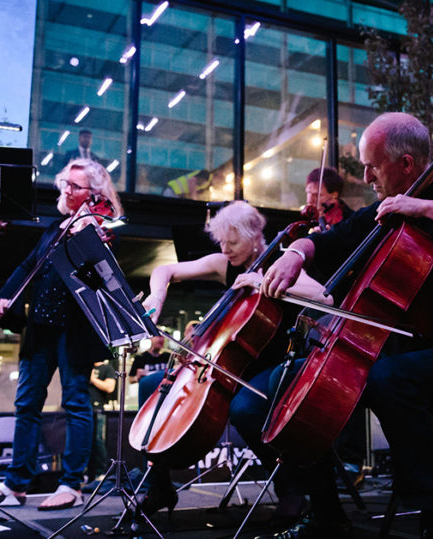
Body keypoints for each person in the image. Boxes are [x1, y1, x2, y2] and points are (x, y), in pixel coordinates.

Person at [259, 112, 433, 538]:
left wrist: (422, 206)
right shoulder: (380, 215)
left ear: (407, 164)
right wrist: (294, 254)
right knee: (281, 389)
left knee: (388, 378)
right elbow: (323, 242)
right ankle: (326, 516)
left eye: (372, 165)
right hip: (400, 356)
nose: (364, 176)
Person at [134, 201, 331, 525]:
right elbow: (165, 270)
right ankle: (160, 487)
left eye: (233, 242)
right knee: (150, 386)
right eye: (221, 242)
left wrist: (261, 281)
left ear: (255, 236)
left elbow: (325, 296)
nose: (226, 250)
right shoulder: (224, 263)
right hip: (226, 365)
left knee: (244, 408)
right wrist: (157, 296)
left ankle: (290, 488)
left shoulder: (282, 262)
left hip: (273, 366)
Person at [0, 158, 123, 511]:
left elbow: (100, 276)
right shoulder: (55, 228)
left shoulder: (99, 228)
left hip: (74, 330)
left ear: (94, 194)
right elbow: (28, 266)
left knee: (75, 402)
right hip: (40, 328)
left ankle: (72, 485)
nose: (65, 190)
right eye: (64, 183)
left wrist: (88, 236)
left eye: (74, 186)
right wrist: (6, 297)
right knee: (26, 404)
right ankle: (15, 484)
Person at [86, 359, 118, 485]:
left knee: (98, 440)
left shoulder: (107, 368)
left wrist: (93, 379)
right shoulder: (86, 366)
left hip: (98, 409)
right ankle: (86, 473)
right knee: (83, 441)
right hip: (83, 408)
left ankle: (100, 472)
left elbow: (110, 387)